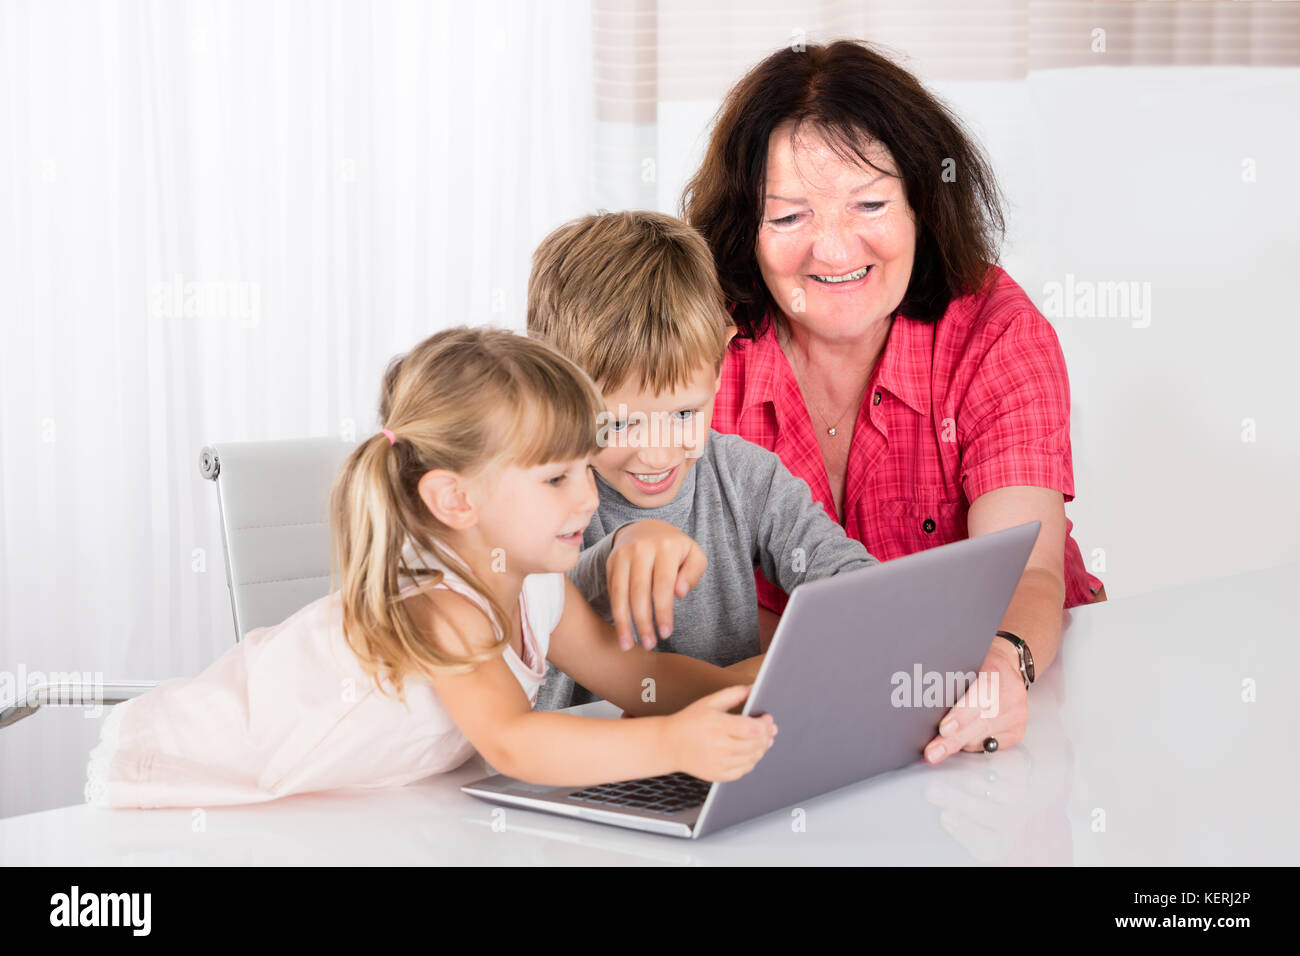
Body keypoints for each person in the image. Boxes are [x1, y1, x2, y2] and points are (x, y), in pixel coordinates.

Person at [84, 327, 775, 809]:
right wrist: (674, 744)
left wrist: (745, 691)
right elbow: (514, 742)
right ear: (456, 499)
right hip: (206, 768)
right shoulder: (445, 609)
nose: (590, 498)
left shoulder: (535, 586)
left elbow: (637, 677)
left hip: (358, 803)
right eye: (555, 479)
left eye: (582, 468)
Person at [680, 39, 1106, 763]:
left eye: (869, 204)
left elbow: (1030, 571)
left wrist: (1004, 666)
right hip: (785, 726)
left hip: (1008, 716)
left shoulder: (998, 333)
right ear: (745, 230)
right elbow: (689, 593)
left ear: (921, 205)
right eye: (789, 218)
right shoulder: (700, 350)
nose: (835, 251)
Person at [526, 210, 879, 713]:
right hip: (588, 766)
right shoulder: (541, 502)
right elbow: (537, 613)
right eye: (620, 423)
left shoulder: (746, 479)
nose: (657, 453)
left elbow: (854, 585)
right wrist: (609, 560)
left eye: (684, 413)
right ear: (552, 392)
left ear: (719, 365)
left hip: (726, 752)